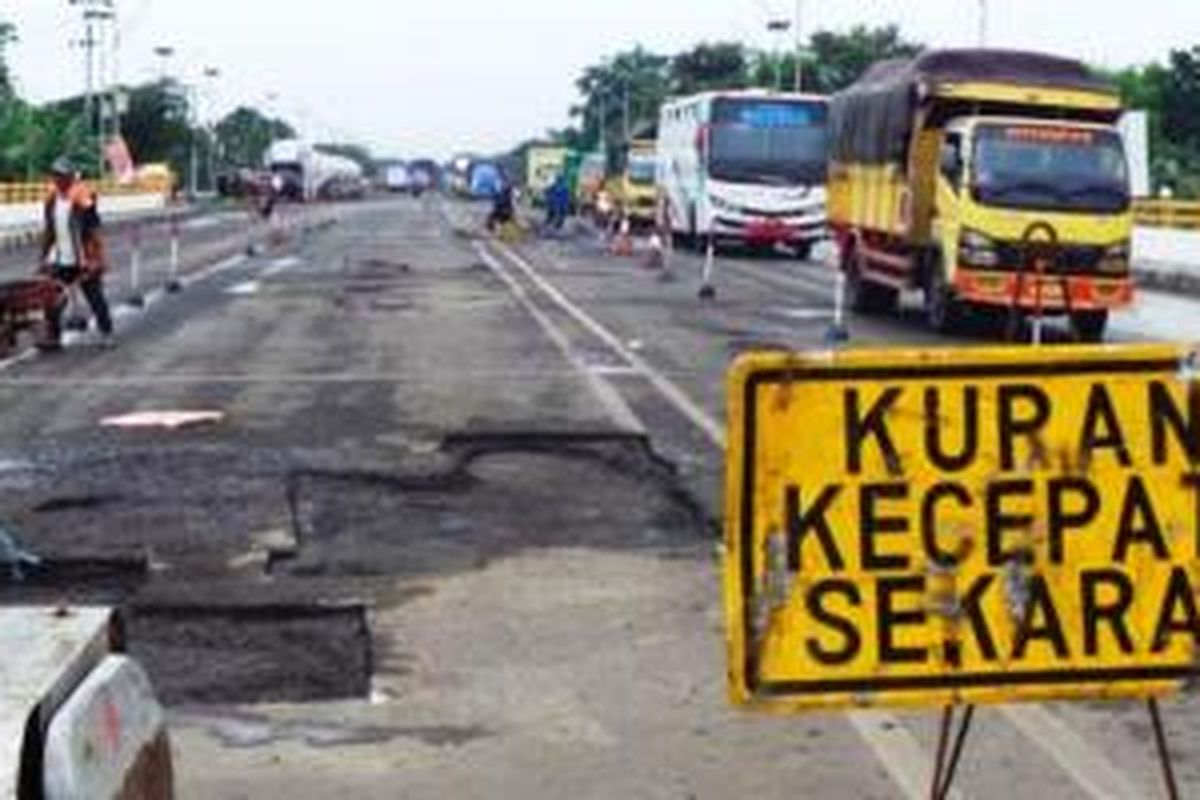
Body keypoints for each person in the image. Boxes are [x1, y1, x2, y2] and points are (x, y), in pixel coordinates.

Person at [39, 158, 113, 350]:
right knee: (51, 297)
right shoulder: (52, 199)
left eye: (62, 176)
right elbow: (49, 230)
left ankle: (106, 333)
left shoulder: (83, 198)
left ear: (71, 177)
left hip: (84, 258)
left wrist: (99, 259)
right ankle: (53, 337)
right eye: (55, 176)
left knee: (95, 297)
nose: (58, 179)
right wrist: (43, 257)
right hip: (61, 258)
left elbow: (94, 231)